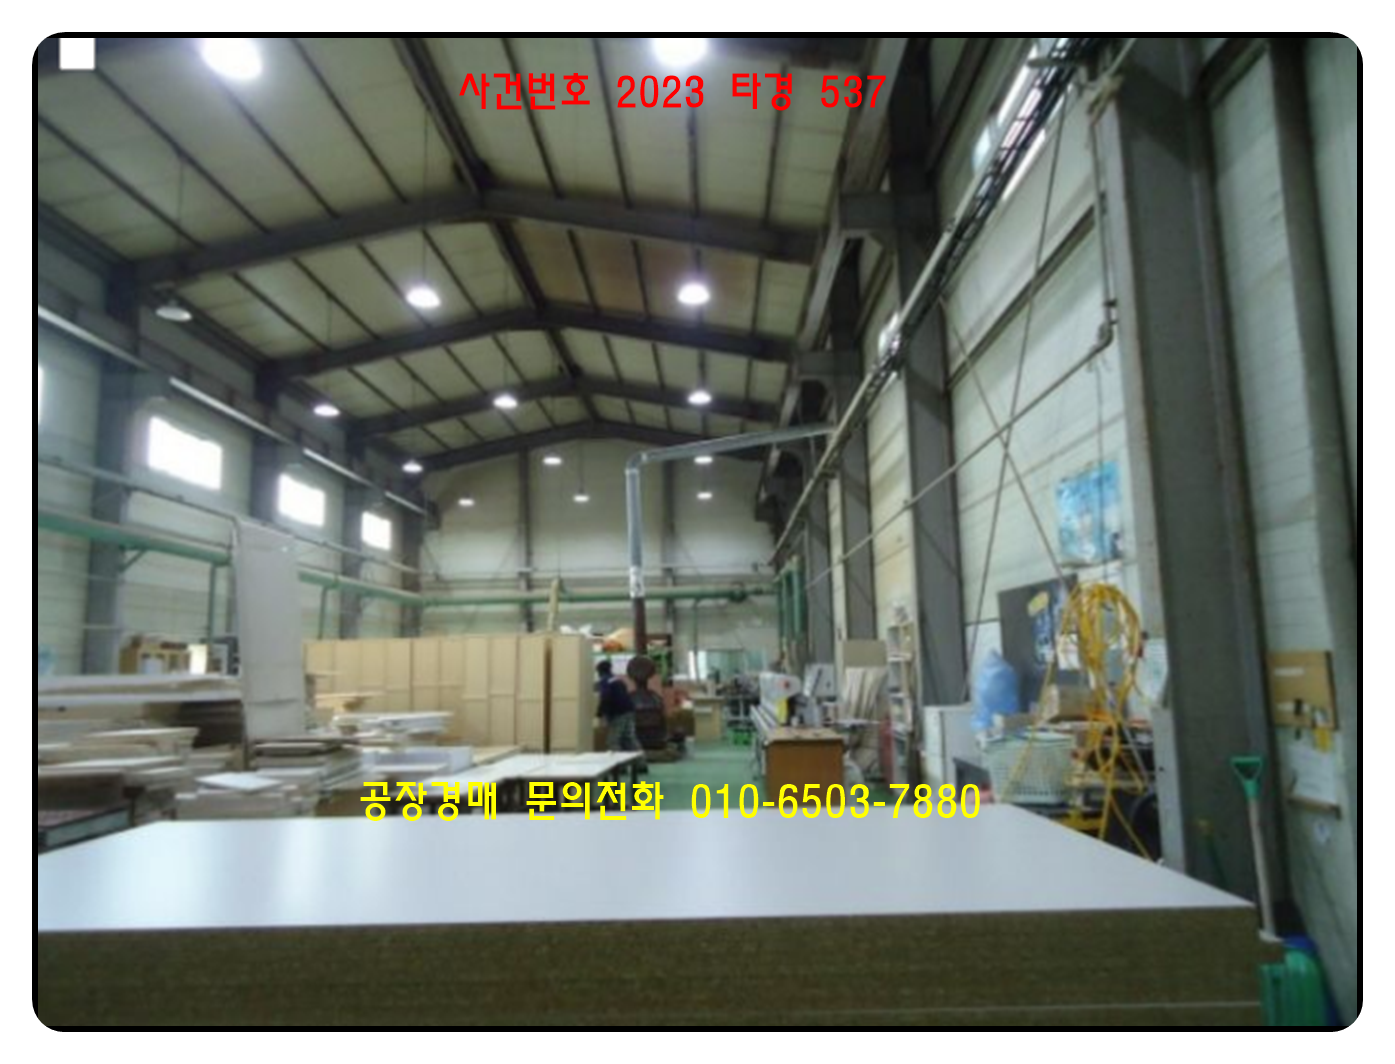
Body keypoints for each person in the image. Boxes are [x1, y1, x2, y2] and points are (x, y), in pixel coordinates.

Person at [596, 660, 647, 771]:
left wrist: (600, 714)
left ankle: (619, 767)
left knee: (613, 741)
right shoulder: (618, 680)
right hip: (629, 710)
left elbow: (605, 698)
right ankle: (641, 764)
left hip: (618, 713)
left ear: (599, 671)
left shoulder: (605, 681)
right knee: (629, 738)